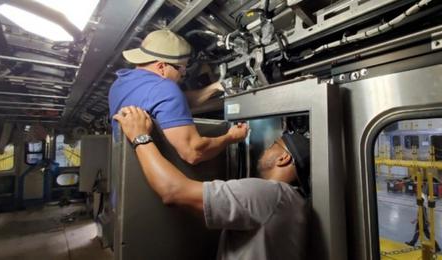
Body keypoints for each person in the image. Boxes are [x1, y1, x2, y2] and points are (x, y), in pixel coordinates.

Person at [113, 106, 310, 260]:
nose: (267, 149)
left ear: (283, 158)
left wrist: (140, 137)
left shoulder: (268, 193)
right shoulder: (293, 201)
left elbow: (172, 191)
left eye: (273, 145)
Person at [108, 29, 247, 165]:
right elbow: (193, 153)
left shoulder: (118, 85)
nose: (182, 75)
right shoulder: (164, 88)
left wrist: (216, 87)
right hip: (155, 182)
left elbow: (169, 103)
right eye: (181, 69)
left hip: (126, 175)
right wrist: (231, 137)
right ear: (162, 66)